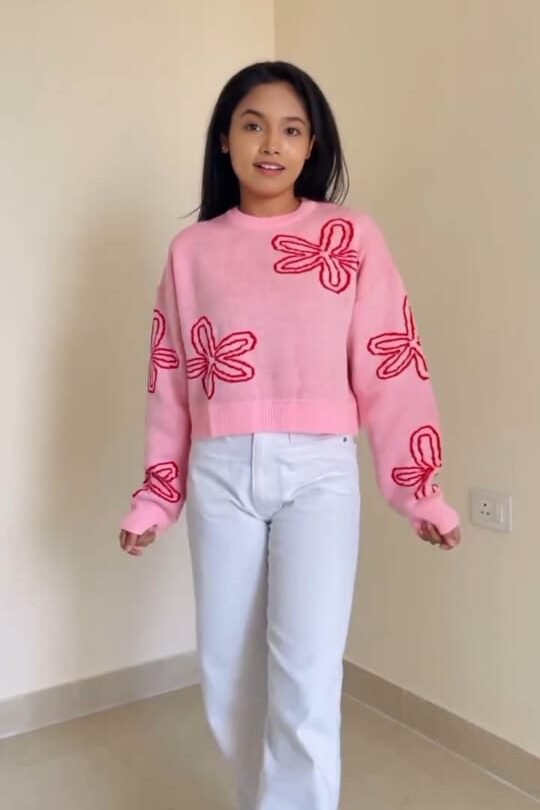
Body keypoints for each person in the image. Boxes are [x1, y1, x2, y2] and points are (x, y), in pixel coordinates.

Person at [119, 61, 461, 810]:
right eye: (253, 124)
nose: (271, 143)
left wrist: (418, 490)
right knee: (228, 675)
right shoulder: (192, 252)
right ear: (225, 139)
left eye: (292, 129)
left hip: (319, 474)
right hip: (219, 473)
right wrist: (156, 497)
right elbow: (170, 378)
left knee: (305, 676)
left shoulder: (349, 236)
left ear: (312, 146)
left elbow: (391, 360)